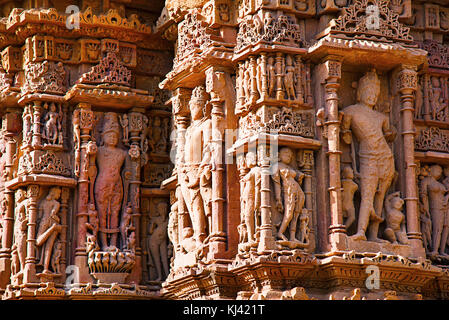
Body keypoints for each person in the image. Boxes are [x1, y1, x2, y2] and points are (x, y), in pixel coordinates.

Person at [341, 70, 396, 242]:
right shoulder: (350, 111)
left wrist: (392, 133)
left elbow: (389, 135)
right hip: (367, 155)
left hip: (386, 157)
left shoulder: (382, 117)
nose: (372, 96)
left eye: (375, 93)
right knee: (367, 194)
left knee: (379, 195)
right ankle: (361, 232)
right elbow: (344, 131)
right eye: (369, 92)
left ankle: (373, 235)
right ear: (360, 93)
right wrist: (345, 134)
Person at [94, 113, 127, 250]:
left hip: (117, 185)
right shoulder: (99, 151)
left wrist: (136, 153)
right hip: (102, 184)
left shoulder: (122, 153)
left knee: (115, 213)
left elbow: (135, 165)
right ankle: (103, 244)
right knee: (102, 213)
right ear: (102, 137)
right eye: (109, 135)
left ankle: (113, 244)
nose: (112, 138)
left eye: (115, 135)